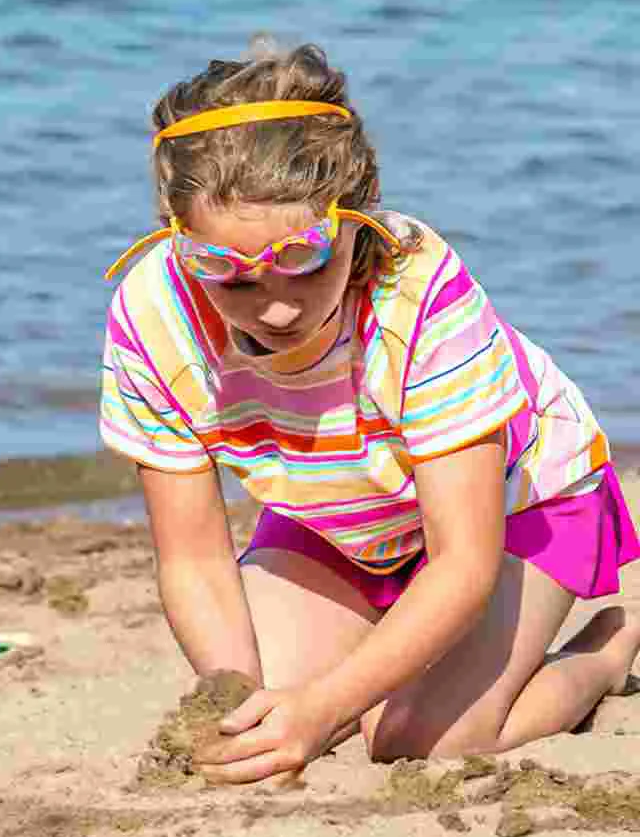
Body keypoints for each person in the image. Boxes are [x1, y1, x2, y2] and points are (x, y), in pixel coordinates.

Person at [99, 41, 640, 787]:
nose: (276, 305)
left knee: (414, 737)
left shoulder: (418, 293)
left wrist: (325, 711)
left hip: (518, 507)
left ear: (360, 217)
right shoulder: (153, 312)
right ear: (176, 234)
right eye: (227, 276)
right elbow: (192, 556)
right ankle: (409, 646)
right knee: (264, 711)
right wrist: (247, 704)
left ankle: (602, 657)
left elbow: (462, 561)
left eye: (304, 262)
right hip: (343, 521)